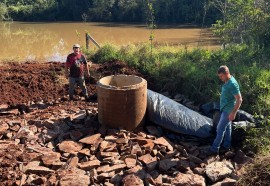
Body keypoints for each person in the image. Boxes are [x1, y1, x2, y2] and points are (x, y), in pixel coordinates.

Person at [209, 65, 242, 154]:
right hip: (225, 109)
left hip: (229, 111)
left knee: (219, 129)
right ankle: (227, 146)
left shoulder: (232, 84)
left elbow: (239, 99)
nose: (220, 78)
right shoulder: (228, 81)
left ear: (226, 73)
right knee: (227, 129)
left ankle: (214, 149)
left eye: (221, 76)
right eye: (219, 76)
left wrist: (233, 113)